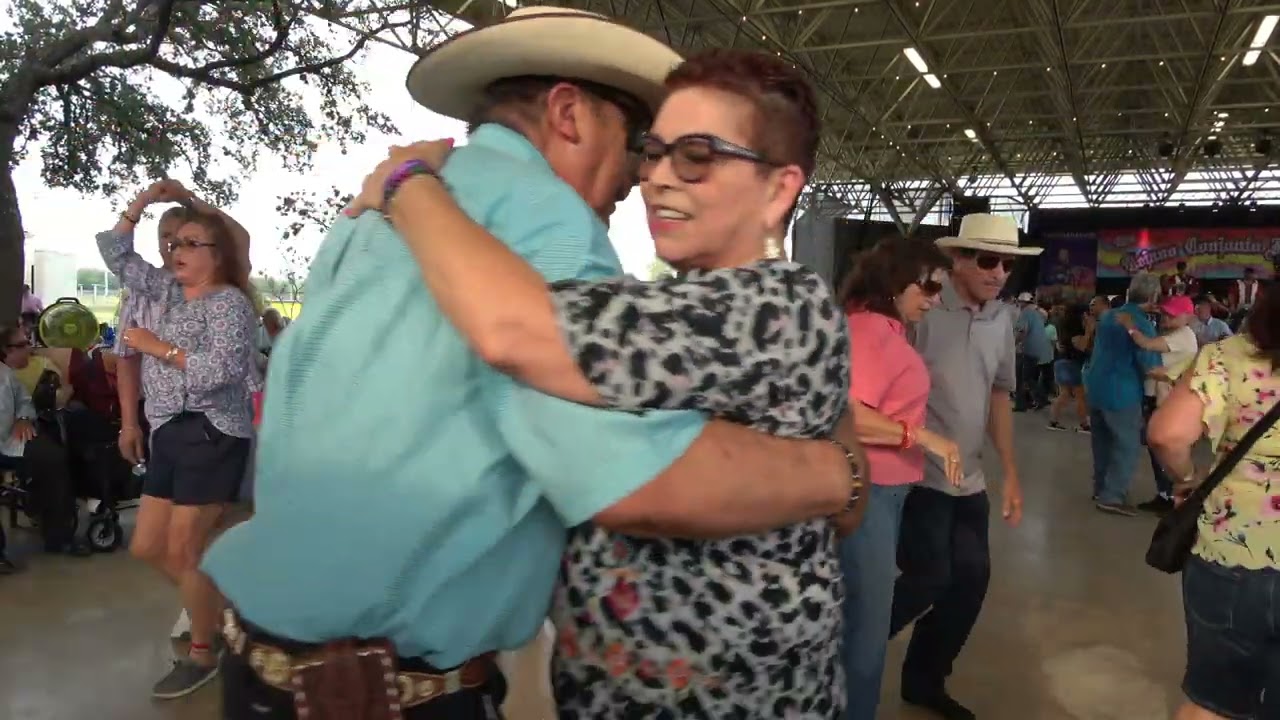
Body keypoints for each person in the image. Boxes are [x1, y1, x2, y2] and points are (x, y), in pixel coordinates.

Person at [203, 9, 865, 720]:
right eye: (645, 147)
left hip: (270, 662)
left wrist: (406, 180)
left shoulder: (373, 217)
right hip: (380, 690)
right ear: (569, 114)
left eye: (692, 156)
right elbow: (632, 482)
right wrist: (838, 474)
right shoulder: (546, 219)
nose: (645, 180)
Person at [99, 206, 256, 699]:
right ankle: (225, 611)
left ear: (218, 254)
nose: (174, 251)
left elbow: (224, 372)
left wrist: (157, 347)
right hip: (168, 429)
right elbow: (114, 251)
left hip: (211, 430)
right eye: (172, 243)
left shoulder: (229, 304)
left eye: (190, 243)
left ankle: (203, 653)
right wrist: (141, 202)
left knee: (184, 549)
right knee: (147, 547)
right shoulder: (168, 292)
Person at [889, 214, 1033, 720]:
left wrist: (1010, 470)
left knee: (970, 583)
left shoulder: (1002, 318)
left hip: (968, 478)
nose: (999, 272)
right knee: (929, 576)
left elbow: (999, 395)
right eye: (987, 260)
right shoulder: (921, 307)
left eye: (1007, 263)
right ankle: (842, 647)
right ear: (958, 259)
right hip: (915, 473)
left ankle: (925, 681)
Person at [834, 238, 962, 720]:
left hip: (886, 490)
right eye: (927, 286)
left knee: (869, 617)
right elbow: (849, 412)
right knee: (865, 631)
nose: (933, 298)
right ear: (894, 281)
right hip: (870, 489)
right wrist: (923, 437)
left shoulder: (884, 328)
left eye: (939, 289)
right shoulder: (870, 332)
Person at [1148, 288, 1280, 720]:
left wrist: (1188, 480)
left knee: (1212, 702)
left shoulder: (1228, 356)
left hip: (1233, 554)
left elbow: (1168, 434)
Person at [0, 323, 91, 562]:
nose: (28, 349)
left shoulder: (5, 374)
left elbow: (24, 401)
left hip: (11, 439)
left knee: (54, 458)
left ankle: (58, 537)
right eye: (21, 345)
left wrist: (22, 417)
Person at [1082, 272, 1163, 516]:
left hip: (1095, 386)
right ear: (1153, 296)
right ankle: (1113, 495)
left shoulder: (1108, 316)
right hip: (1122, 391)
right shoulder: (1141, 323)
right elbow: (1150, 363)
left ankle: (1101, 487)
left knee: (1102, 442)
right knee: (1126, 444)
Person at [1119, 294, 1199, 514]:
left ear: (1188, 317)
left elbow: (1145, 343)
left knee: (1165, 449)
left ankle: (1175, 496)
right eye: (1164, 313)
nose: (1166, 318)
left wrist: (1129, 325)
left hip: (1166, 400)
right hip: (1160, 396)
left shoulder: (1182, 336)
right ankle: (1166, 495)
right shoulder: (1176, 332)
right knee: (1158, 451)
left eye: (1172, 315)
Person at [1048, 303, 1091, 433]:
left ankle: (1053, 421)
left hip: (1061, 361)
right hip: (1071, 363)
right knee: (1080, 396)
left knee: (1064, 394)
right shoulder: (1075, 327)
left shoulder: (1063, 325)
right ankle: (1084, 424)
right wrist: (1088, 331)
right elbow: (1081, 346)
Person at [1013, 292, 1052, 411]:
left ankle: (1034, 401)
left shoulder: (1025, 313)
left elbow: (1022, 331)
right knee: (1030, 377)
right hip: (1041, 350)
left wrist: (1012, 344)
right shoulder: (1038, 313)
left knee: (1024, 378)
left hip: (1029, 349)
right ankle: (1032, 401)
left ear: (1023, 302)